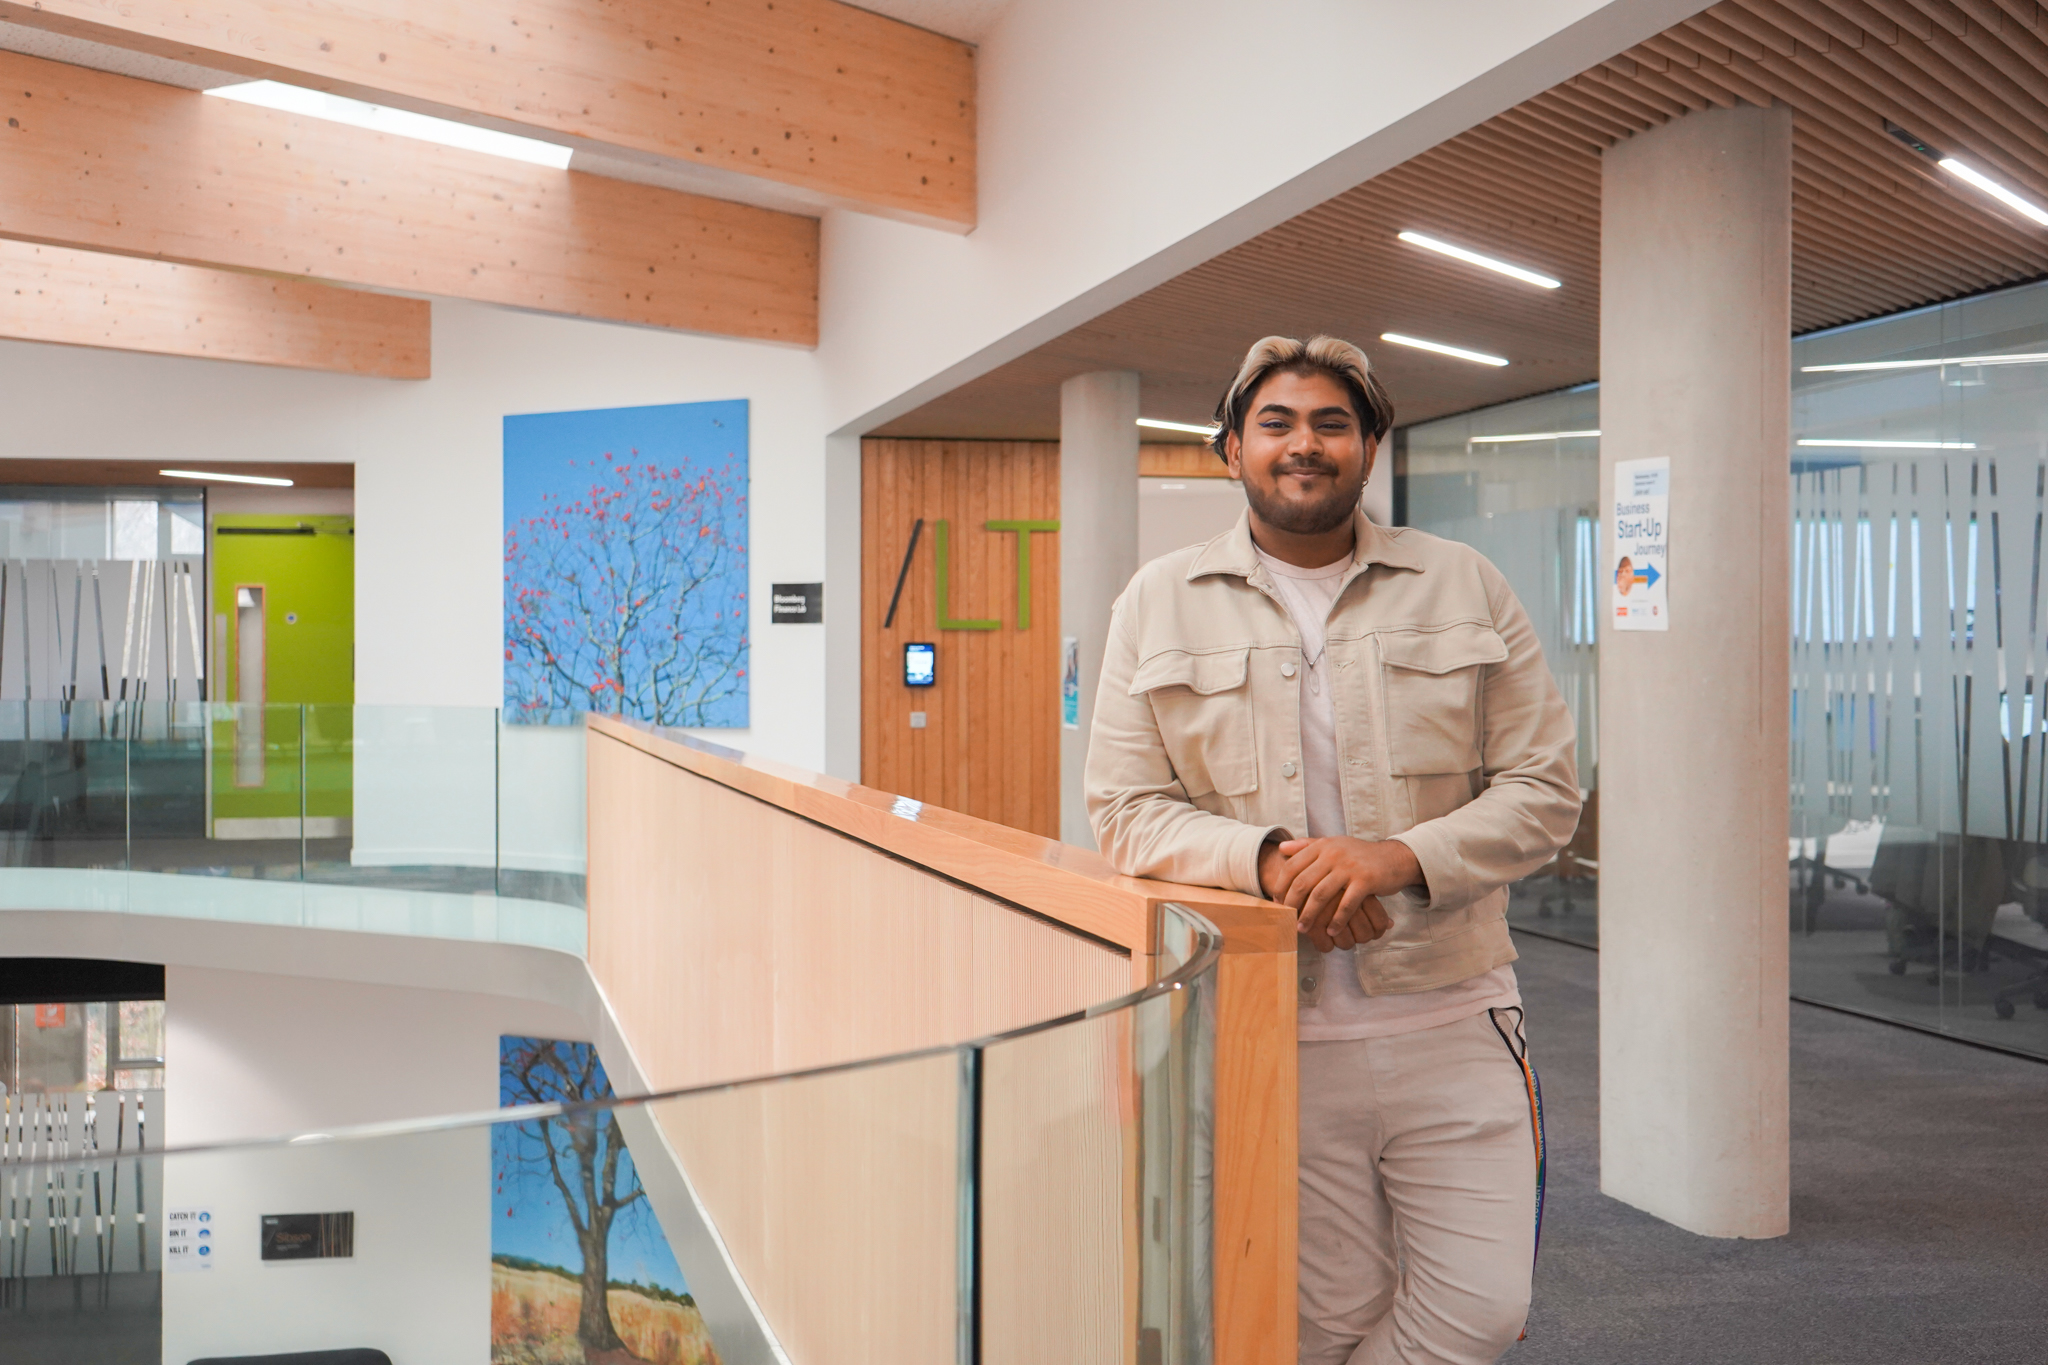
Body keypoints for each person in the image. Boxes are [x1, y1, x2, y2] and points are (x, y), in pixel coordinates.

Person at [1086, 335, 1581, 1364]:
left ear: (1368, 447)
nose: (1303, 443)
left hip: (1454, 1015)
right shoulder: (1156, 600)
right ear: (1232, 448)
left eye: (1330, 424)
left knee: (1483, 1310)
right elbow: (1124, 809)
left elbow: (1543, 793)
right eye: (1275, 423)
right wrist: (1273, 861)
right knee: (1324, 1322)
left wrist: (1392, 859)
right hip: (1272, 1027)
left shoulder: (1463, 583)